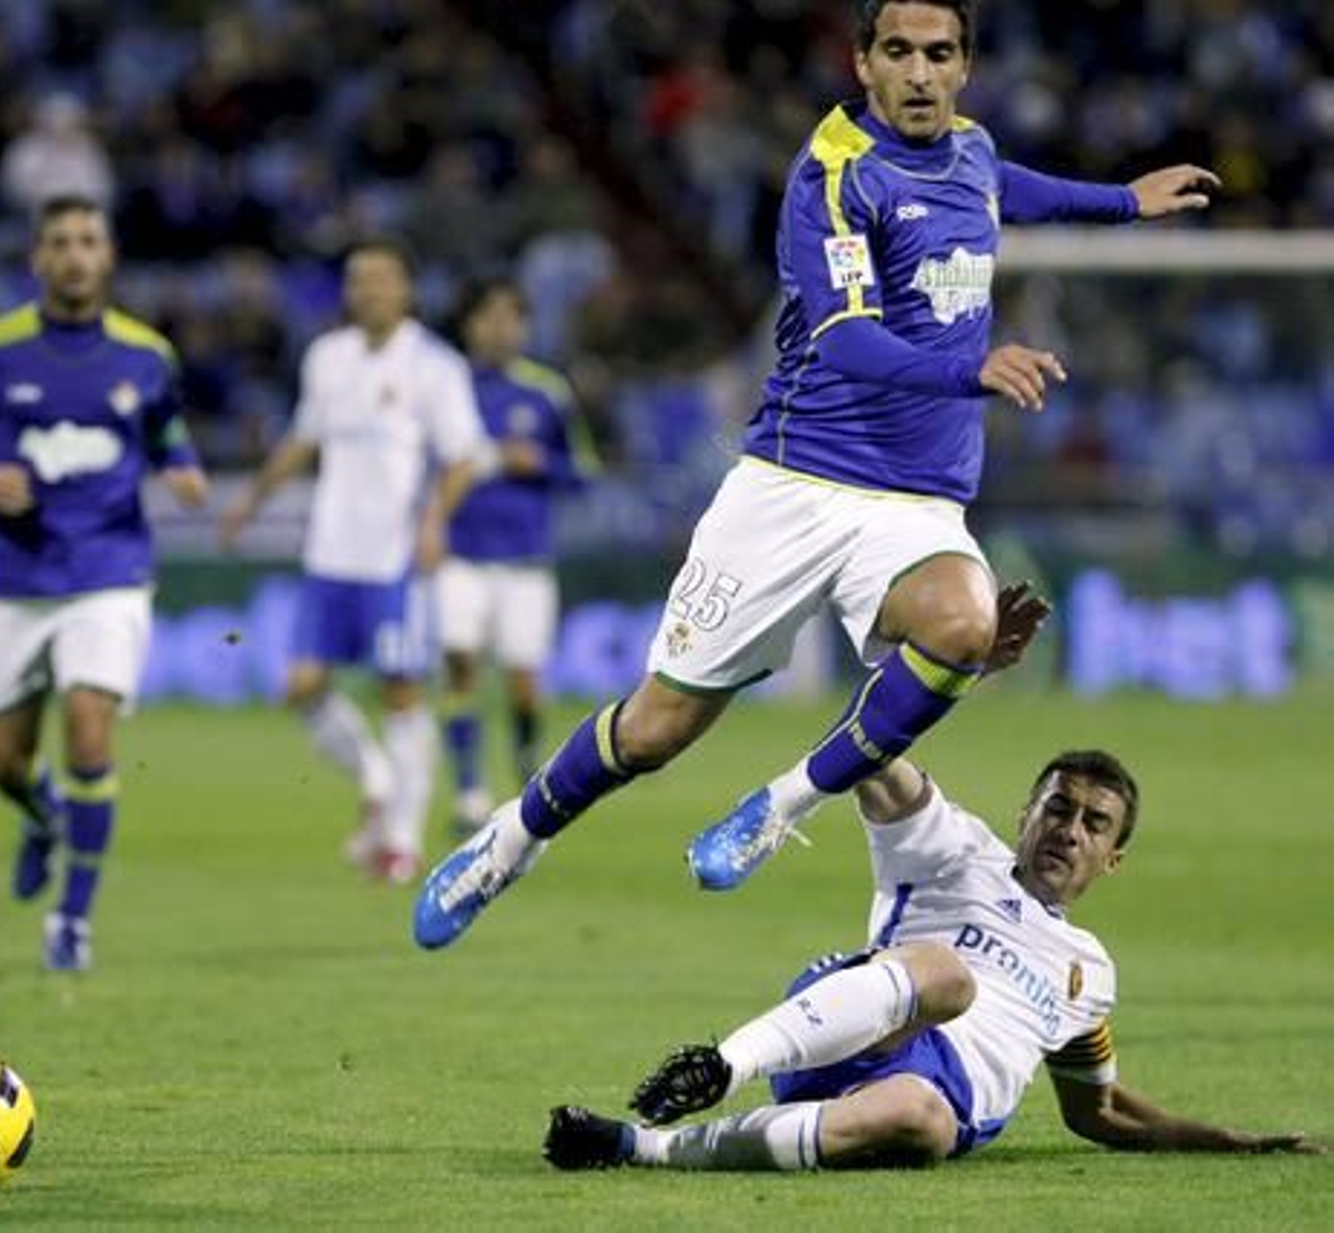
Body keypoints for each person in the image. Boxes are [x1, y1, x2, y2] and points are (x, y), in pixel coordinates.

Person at [412, 0, 1222, 950]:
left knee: (965, 622)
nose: (920, 74)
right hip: (798, 482)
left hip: (918, 499)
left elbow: (1007, 186)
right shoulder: (831, 178)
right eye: (899, 53)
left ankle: (779, 805)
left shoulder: (968, 149)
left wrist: (1124, 199)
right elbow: (848, 343)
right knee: (656, 728)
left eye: (940, 54)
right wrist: (975, 368)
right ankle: (507, 842)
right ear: (862, 63)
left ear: (964, 66)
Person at [541, 593, 1320, 1170]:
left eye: (1093, 823)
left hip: (924, 1098)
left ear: (1113, 857)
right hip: (856, 1024)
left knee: (926, 1122)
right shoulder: (955, 848)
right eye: (1058, 807)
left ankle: (641, 1146)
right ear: (1027, 812)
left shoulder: (1092, 973)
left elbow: (1102, 1110)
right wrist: (963, 671)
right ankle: (722, 1065)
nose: (1068, 830)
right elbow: (863, 749)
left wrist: (1233, 1141)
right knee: (950, 975)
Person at [0, 194, 209, 972]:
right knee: (3, 762)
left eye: (89, 239)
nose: (76, 254)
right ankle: (43, 815)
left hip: (109, 569)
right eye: (60, 242)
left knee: (89, 725)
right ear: (38, 259)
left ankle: (72, 919)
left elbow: (166, 429)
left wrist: (181, 466)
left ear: (108, 255)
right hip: (14, 575)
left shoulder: (147, 354)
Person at [218, 239, 483, 885]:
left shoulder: (433, 365)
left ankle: (402, 840)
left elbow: (464, 457)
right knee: (302, 686)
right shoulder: (327, 357)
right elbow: (302, 440)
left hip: (394, 561)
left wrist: (432, 521)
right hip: (330, 554)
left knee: (401, 692)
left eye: (382, 279)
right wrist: (250, 500)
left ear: (407, 290)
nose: (368, 290)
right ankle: (375, 777)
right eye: (358, 280)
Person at [438, 278, 594, 835]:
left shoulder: (546, 392)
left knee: (523, 679)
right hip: (458, 553)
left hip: (526, 559)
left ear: (524, 326)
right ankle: (468, 791)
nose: (500, 326)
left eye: (510, 316)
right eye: (489, 315)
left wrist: (541, 464)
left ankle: (529, 776)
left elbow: (584, 472)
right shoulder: (447, 388)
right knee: (460, 663)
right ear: (470, 324)